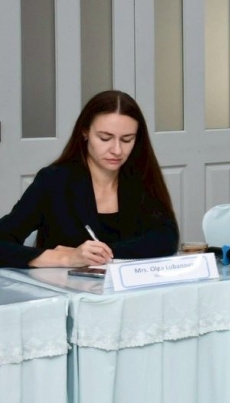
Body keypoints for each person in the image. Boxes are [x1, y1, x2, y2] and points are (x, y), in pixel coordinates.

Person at [0, 90, 179, 269]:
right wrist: (64, 258)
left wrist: (99, 254)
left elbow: (166, 238)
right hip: (65, 285)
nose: (117, 150)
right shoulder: (55, 180)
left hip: (128, 286)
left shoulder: (140, 176)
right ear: (85, 132)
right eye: (105, 138)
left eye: (127, 140)